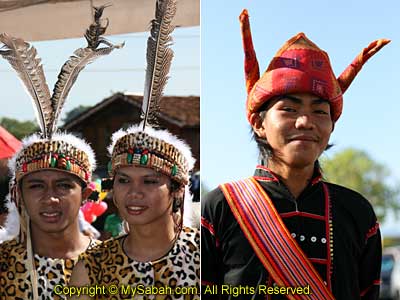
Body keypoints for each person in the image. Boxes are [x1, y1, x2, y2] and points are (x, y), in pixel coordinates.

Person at [201, 9, 389, 300]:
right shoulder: (220, 208)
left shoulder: (356, 212)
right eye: (289, 109)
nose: (305, 122)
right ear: (259, 123)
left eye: (319, 111)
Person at [69, 1, 200, 299]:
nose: (133, 192)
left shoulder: (207, 258)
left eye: (150, 181)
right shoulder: (91, 268)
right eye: (124, 180)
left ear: (177, 189)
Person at [0, 7, 122, 299]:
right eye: (36, 185)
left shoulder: (118, 265)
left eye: (64, 185)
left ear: (85, 194)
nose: (50, 198)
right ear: (18, 195)